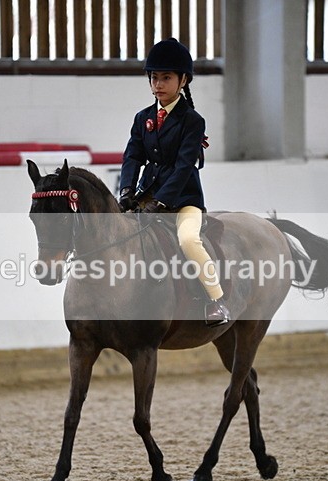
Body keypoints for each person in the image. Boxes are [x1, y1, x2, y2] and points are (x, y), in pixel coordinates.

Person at [118, 38, 230, 327]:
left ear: (183, 81)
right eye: (154, 77)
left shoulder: (192, 121)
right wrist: (127, 190)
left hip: (183, 201)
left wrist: (162, 202)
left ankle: (215, 301)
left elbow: (183, 168)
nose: (158, 84)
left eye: (166, 77)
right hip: (147, 196)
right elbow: (132, 157)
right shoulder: (142, 118)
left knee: (189, 240)